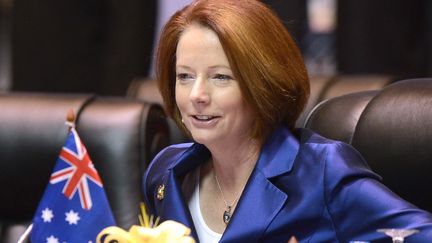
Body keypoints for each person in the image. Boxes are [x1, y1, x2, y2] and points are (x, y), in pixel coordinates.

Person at [143, 0, 432, 242]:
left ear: (263, 84)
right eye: (185, 77)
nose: (197, 95)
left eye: (221, 77)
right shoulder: (166, 173)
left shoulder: (321, 170)